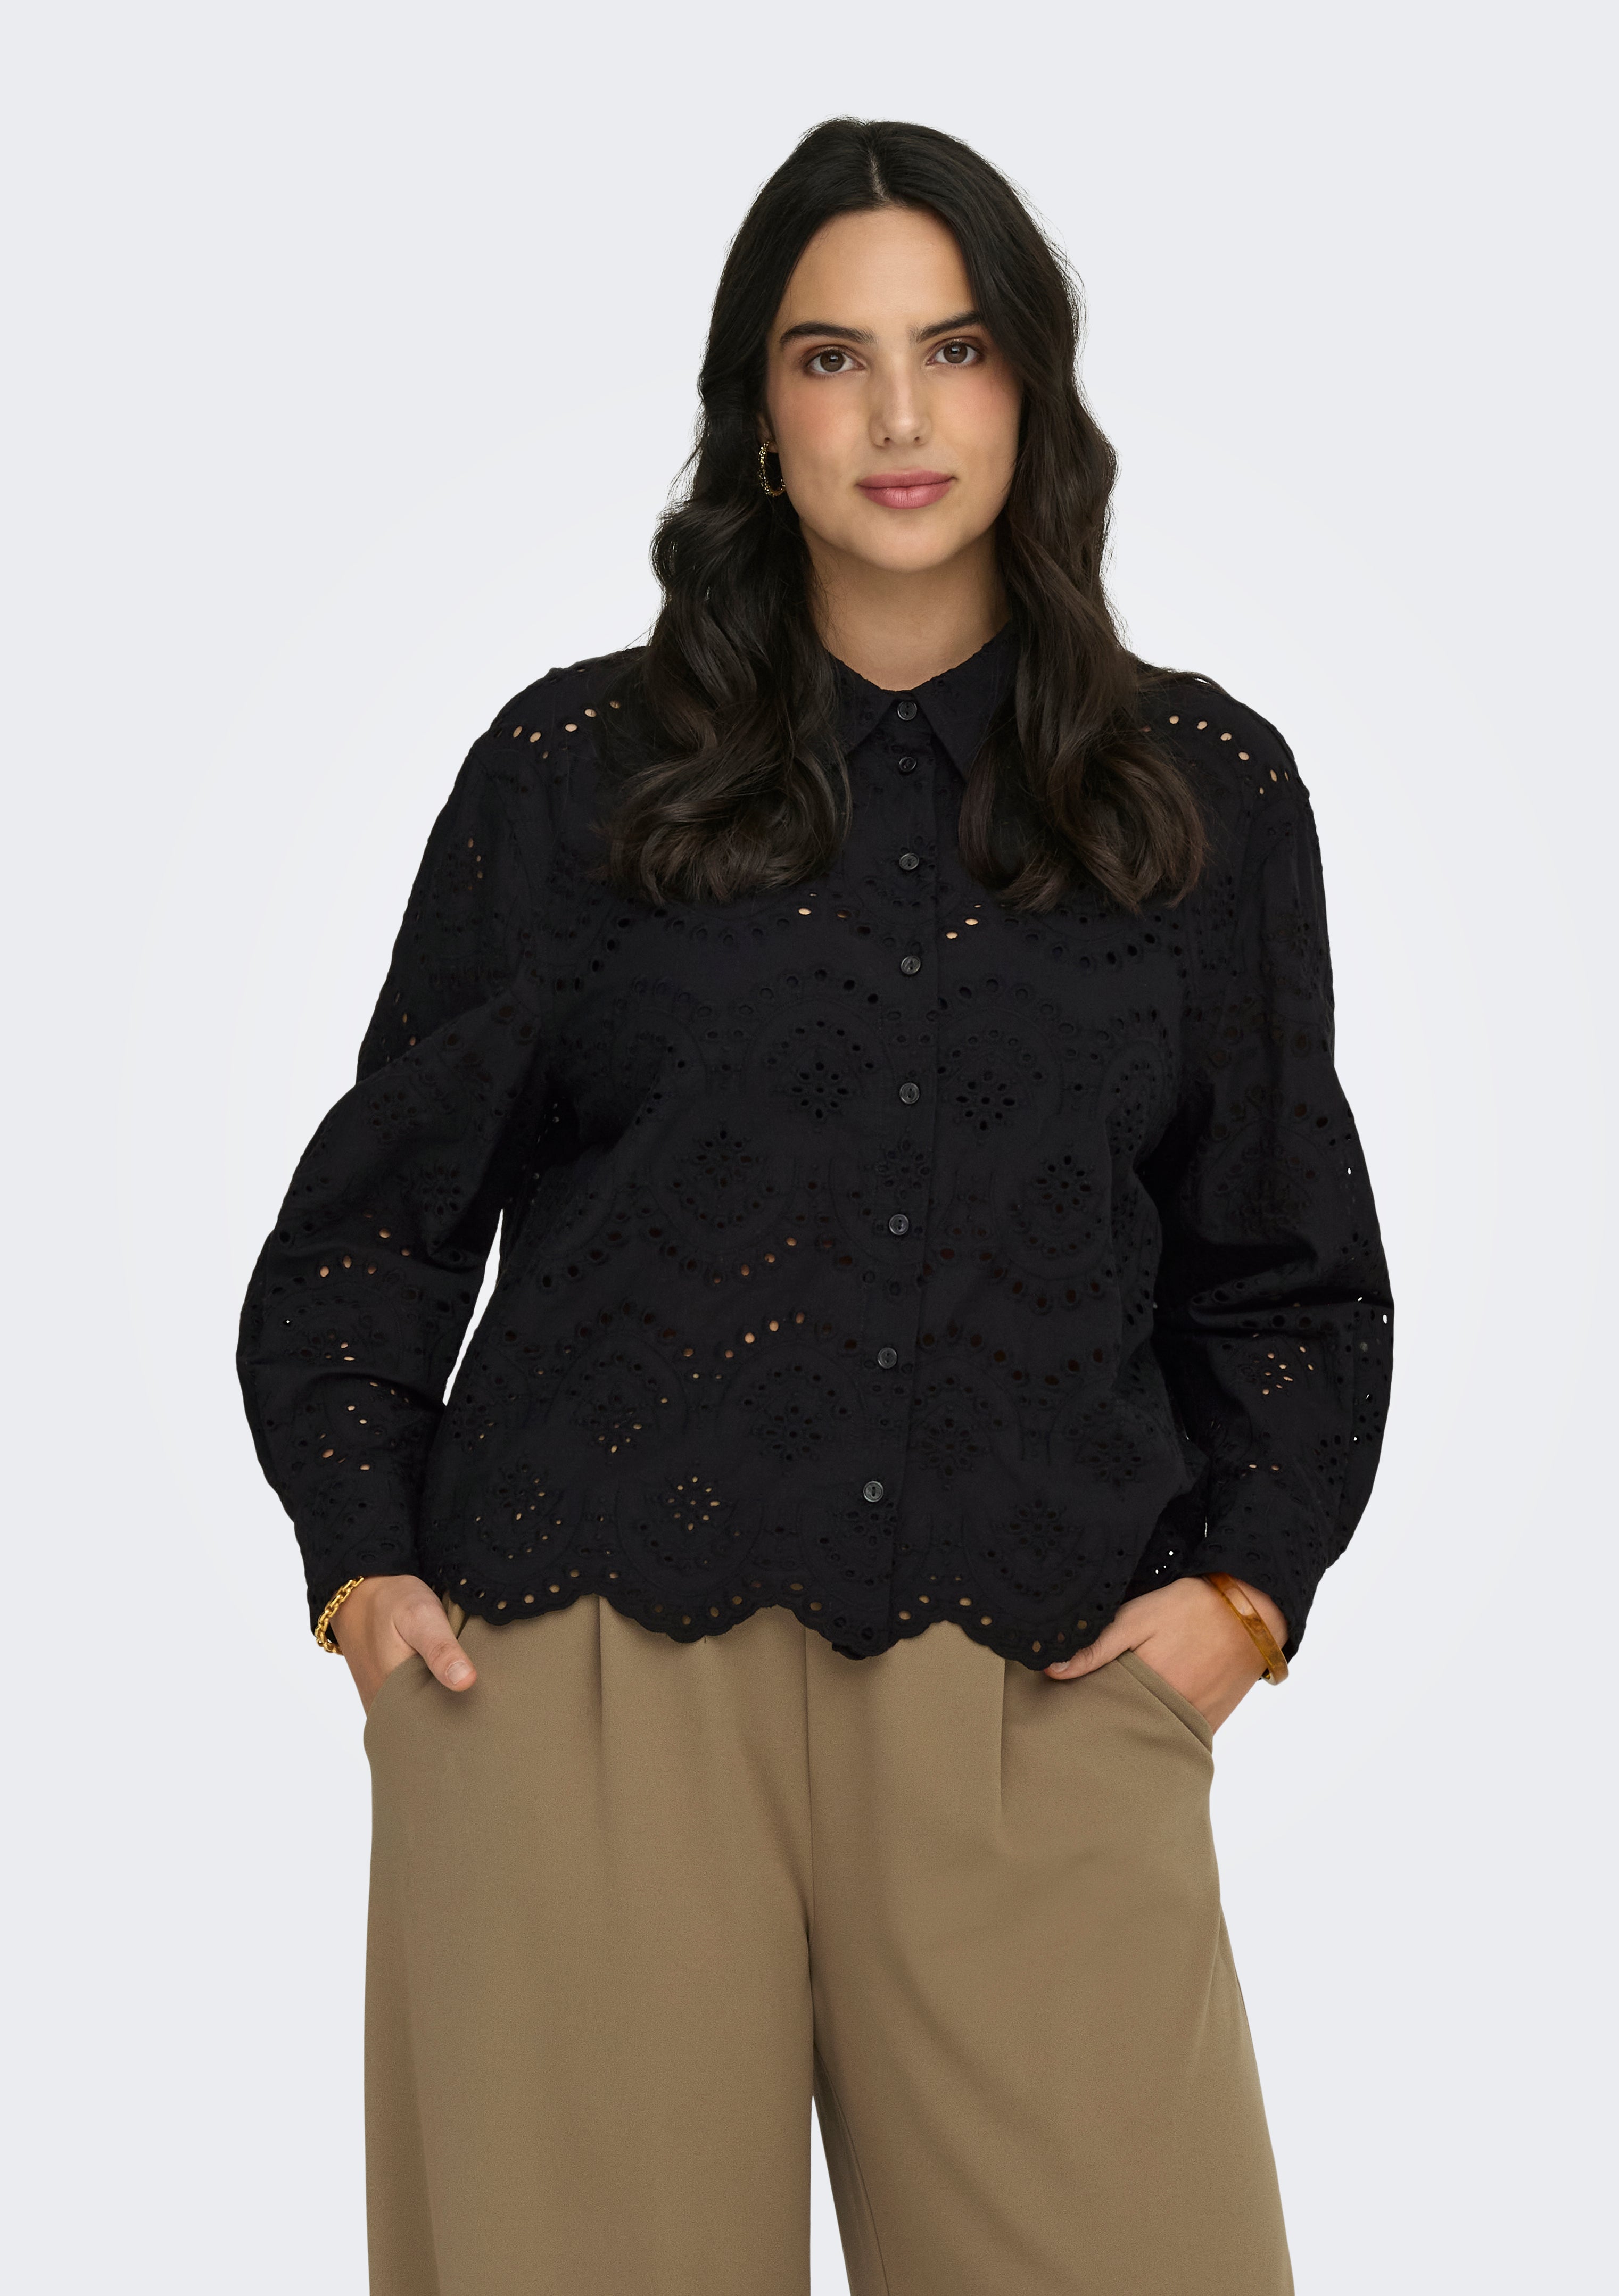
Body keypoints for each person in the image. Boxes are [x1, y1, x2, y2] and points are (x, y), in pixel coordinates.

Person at [238, 115, 1392, 2296]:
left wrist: (1239, 1601)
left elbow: (1288, 1271)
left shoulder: (1195, 797)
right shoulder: (574, 775)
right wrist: (363, 1565)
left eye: (952, 350)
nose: (896, 415)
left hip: (1044, 1680)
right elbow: (369, 1224)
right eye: (829, 357)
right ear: (754, 417)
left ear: (1028, 390)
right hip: (581, 1683)